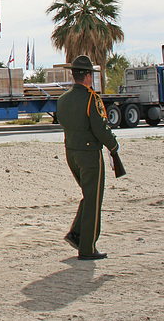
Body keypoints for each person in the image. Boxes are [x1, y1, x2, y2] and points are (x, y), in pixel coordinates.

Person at [57, 55, 120, 260]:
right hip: (89, 153)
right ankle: (87, 247)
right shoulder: (91, 98)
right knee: (93, 199)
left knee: (88, 194)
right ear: (87, 77)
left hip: (71, 152)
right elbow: (100, 128)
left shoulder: (63, 99)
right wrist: (113, 145)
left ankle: (76, 234)